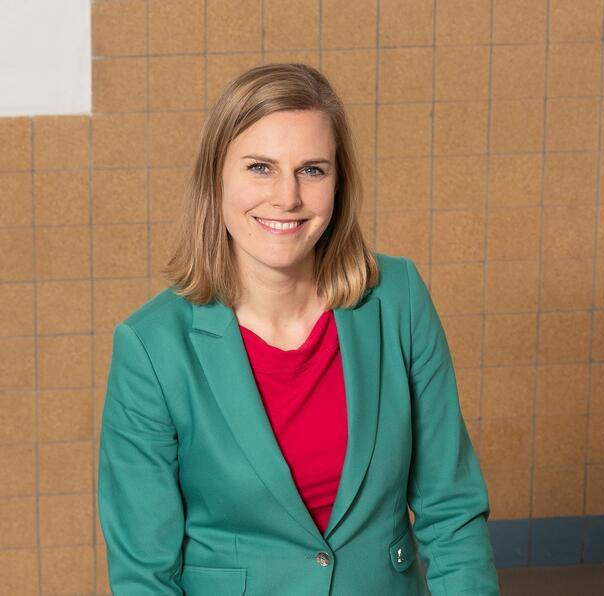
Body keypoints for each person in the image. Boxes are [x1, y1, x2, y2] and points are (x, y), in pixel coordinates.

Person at [98, 63, 499, 595]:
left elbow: (451, 511)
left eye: (312, 170)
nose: (286, 197)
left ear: (339, 182)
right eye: (260, 167)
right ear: (216, 178)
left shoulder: (398, 298)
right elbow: (144, 574)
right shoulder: (151, 347)